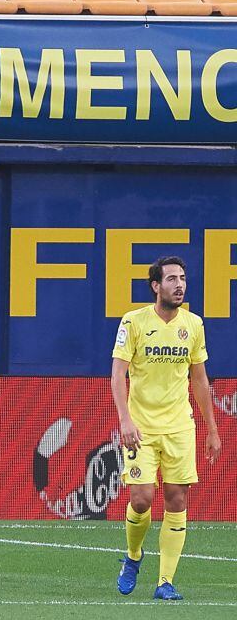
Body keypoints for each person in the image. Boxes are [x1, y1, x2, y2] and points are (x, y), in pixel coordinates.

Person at [112, 256, 221, 601]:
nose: (180, 285)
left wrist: (212, 429)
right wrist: (125, 420)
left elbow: (200, 381)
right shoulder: (134, 322)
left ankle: (165, 581)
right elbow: (117, 375)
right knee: (142, 499)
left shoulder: (194, 324)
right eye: (171, 279)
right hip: (141, 428)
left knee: (176, 498)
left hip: (179, 427)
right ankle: (132, 556)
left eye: (183, 278)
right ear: (156, 286)